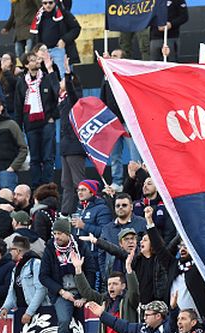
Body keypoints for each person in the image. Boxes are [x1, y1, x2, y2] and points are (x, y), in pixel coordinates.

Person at [38, 218, 97, 333]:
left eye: (59, 234)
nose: (56, 237)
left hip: (82, 290)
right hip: (62, 292)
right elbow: (43, 276)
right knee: (63, 321)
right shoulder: (50, 248)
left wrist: (86, 296)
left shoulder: (81, 246)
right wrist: (61, 292)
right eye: (55, 233)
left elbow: (91, 270)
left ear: (68, 233)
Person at [85, 206, 171, 305]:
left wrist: (149, 221)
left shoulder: (160, 260)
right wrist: (97, 241)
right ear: (120, 243)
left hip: (156, 306)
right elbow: (116, 251)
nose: (140, 241)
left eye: (145, 240)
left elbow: (160, 245)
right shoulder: (135, 260)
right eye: (126, 239)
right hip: (135, 304)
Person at [14, 51, 59, 188]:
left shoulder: (46, 78)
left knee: (48, 157)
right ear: (26, 65)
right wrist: (19, 128)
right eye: (32, 60)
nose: (37, 61)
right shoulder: (21, 82)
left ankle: (48, 186)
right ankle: (36, 187)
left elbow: (57, 94)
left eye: (37, 59)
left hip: (47, 122)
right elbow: (18, 105)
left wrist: (52, 117)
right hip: (30, 125)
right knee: (34, 159)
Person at [101, 49, 140, 192]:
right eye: (111, 55)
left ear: (122, 60)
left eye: (115, 56)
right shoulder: (106, 77)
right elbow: (103, 98)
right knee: (115, 155)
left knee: (134, 154)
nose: (111, 57)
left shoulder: (126, 75)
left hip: (128, 121)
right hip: (113, 122)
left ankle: (137, 179)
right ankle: (117, 182)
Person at [58, 58, 86, 215]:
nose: (61, 82)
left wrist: (68, 74)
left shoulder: (76, 100)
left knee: (78, 182)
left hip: (74, 147)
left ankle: (84, 209)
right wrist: (49, 68)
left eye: (64, 80)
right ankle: (65, 213)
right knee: (66, 183)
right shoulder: (62, 101)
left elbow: (72, 90)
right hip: (65, 147)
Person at [1, 236, 49, 324]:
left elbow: (41, 290)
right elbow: (12, 291)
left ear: (18, 251)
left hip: (39, 313)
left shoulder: (36, 264)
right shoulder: (16, 268)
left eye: (11, 249)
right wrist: (6, 307)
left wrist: (29, 312)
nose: (10, 252)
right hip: (22, 311)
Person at [72, 180, 113, 275]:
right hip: (79, 255)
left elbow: (105, 232)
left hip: (94, 255)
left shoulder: (102, 208)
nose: (80, 192)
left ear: (92, 192)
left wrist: (84, 226)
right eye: (78, 190)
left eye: (83, 190)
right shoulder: (79, 209)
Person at [30, 0, 81, 74]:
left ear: (55, 2)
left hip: (62, 52)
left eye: (50, 2)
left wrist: (64, 40)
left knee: (65, 79)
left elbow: (76, 28)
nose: (48, 5)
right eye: (45, 3)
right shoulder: (39, 17)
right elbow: (35, 36)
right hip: (45, 53)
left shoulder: (64, 14)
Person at [100, 193, 145, 276]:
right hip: (113, 277)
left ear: (131, 207)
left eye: (124, 205)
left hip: (137, 274)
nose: (120, 207)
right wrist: (105, 274)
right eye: (117, 206)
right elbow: (102, 254)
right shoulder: (107, 229)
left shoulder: (142, 223)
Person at [134, 177, 176, 245]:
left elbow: (169, 232)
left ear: (157, 187)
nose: (145, 186)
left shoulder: (165, 207)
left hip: (159, 248)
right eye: (144, 184)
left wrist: (164, 249)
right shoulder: (135, 205)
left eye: (149, 184)